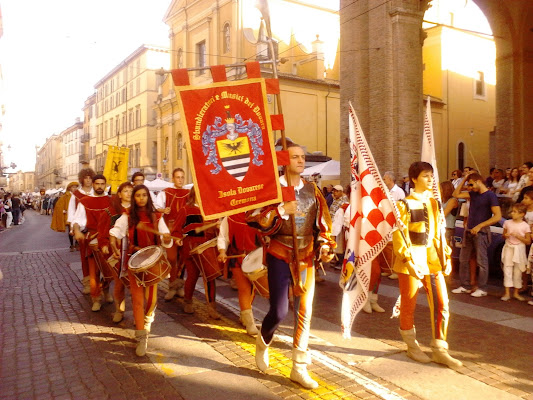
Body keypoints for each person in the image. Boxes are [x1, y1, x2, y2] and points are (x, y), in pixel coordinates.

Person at [246, 144, 335, 389]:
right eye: (295, 157)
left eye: (303, 157)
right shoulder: (272, 190)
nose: (301, 160)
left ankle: (299, 367)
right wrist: (281, 210)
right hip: (279, 253)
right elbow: (254, 218)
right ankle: (263, 342)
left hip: (306, 255)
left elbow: (322, 224)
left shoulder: (312, 190)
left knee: (304, 311)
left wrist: (325, 246)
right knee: (279, 311)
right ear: (285, 161)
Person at [393, 161, 462, 370]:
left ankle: (440, 348)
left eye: (431, 176)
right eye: (425, 176)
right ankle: (411, 344)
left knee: (442, 303)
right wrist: (406, 259)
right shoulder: (403, 204)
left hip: (432, 261)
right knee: (409, 303)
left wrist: (446, 256)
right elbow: (399, 235)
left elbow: (439, 233)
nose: (430, 179)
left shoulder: (434, 203)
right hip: (411, 262)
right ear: (414, 178)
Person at [109, 185, 172, 356]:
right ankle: (141, 336)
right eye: (138, 195)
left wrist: (166, 238)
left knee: (150, 300)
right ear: (134, 198)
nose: (141, 198)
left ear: (148, 197)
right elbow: (115, 232)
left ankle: (147, 319)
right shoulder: (127, 217)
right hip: (134, 261)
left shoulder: (157, 217)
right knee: (137, 300)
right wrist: (113, 243)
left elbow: (165, 236)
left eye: (144, 195)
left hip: (152, 262)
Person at [452, 172, 502, 297]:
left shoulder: (490, 195)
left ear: (478, 181)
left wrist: (481, 225)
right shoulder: (473, 194)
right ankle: (465, 285)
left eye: (471, 184)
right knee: (463, 259)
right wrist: (464, 180)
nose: (470, 187)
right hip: (468, 230)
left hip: (481, 232)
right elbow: (456, 194)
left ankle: (482, 288)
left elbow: (498, 216)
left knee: (482, 261)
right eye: (469, 185)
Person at [217, 213, 263, 335]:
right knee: (244, 289)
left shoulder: (259, 214)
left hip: (257, 258)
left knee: (252, 289)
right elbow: (223, 237)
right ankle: (249, 323)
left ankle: (244, 315)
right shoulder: (230, 217)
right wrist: (222, 251)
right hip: (238, 257)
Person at [72, 174, 112, 311]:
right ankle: (96, 298)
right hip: (92, 238)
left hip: (108, 240)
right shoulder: (85, 201)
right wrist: (77, 230)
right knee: (93, 272)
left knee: (108, 270)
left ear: (105, 185)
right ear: (93, 185)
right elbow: (78, 220)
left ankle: (106, 290)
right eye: (97, 184)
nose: (100, 186)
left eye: (102, 184)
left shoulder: (111, 201)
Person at [99, 182, 133, 323]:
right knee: (119, 282)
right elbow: (103, 231)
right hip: (117, 252)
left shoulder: (138, 211)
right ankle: (119, 309)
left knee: (135, 284)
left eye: (131, 191)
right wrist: (104, 244)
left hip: (133, 252)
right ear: (119, 194)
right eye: (125, 191)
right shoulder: (110, 211)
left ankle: (140, 312)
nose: (128, 193)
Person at [155, 168, 189, 301]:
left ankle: (179, 286)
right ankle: (172, 286)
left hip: (184, 231)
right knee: (172, 258)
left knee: (183, 259)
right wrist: (163, 209)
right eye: (177, 177)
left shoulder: (188, 193)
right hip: (169, 230)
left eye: (182, 177)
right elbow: (156, 208)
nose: (180, 179)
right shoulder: (166, 193)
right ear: (173, 178)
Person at [68, 168, 95, 294]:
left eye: (90, 178)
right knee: (85, 257)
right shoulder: (76, 195)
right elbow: (72, 212)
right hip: (83, 229)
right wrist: (73, 228)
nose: (88, 180)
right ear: (82, 179)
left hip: (96, 229)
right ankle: (87, 283)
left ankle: (98, 283)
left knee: (98, 257)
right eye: (86, 178)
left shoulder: (98, 192)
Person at [500, 203, 531, 301]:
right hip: (509, 247)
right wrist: (507, 235)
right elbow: (503, 235)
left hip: (519, 248)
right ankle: (507, 292)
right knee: (507, 269)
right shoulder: (507, 223)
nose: (512, 213)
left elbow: (528, 241)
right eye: (512, 211)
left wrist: (518, 236)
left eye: (515, 212)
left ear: (522, 214)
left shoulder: (525, 226)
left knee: (518, 270)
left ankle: (516, 292)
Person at [51, 182, 79, 251]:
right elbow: (58, 205)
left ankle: (77, 243)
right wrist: (64, 210)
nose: (75, 188)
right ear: (70, 188)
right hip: (69, 216)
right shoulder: (65, 196)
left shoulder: (78, 195)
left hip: (77, 215)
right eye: (73, 187)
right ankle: (72, 245)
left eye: (76, 187)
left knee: (78, 229)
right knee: (71, 230)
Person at [441, 181, 459, 248]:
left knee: (446, 248)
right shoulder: (442, 200)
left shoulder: (452, 200)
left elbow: (444, 214)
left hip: (449, 228)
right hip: (443, 227)